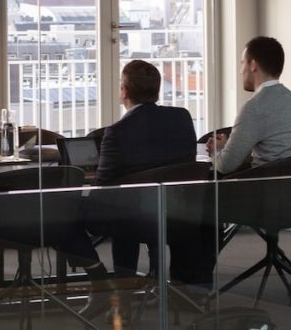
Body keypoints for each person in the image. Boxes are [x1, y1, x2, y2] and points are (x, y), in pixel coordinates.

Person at [88, 60, 213, 310]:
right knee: (129, 207)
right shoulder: (181, 118)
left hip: (137, 221)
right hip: (179, 215)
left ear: (124, 91)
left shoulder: (117, 132)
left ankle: (116, 289)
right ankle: (184, 292)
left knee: (115, 211)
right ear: (157, 90)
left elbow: (103, 188)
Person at [208, 36, 291, 175]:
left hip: (267, 186)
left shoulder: (254, 107)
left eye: (242, 63)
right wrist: (229, 147)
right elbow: (275, 147)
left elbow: (225, 165)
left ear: (253, 65)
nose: (240, 71)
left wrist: (216, 149)